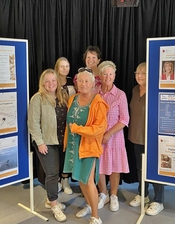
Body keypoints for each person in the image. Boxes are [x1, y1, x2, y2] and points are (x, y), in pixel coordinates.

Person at [63, 67, 108, 224]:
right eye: (80, 81)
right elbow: (68, 123)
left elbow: (99, 129)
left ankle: (96, 216)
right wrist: (66, 142)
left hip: (89, 147)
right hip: (74, 146)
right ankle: (89, 205)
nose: (83, 84)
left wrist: (78, 129)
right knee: (80, 180)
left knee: (88, 181)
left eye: (86, 81)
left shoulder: (98, 103)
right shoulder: (73, 99)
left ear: (93, 83)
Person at [28, 69, 68, 222]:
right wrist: (40, 142)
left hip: (61, 141)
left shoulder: (62, 96)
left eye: (53, 80)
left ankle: (49, 200)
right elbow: (33, 124)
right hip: (46, 142)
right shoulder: (37, 99)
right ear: (42, 83)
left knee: (57, 173)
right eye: (47, 81)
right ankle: (54, 205)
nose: (51, 84)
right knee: (52, 174)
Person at [128, 62, 165, 216]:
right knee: (140, 168)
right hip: (136, 136)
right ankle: (143, 194)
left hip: (152, 138)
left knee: (155, 170)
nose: (140, 76)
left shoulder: (156, 90)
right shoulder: (135, 90)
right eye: (137, 73)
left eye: (143, 73)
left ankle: (158, 201)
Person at [95, 61, 130, 212]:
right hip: (97, 137)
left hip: (115, 137)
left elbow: (124, 119)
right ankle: (103, 194)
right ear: (100, 76)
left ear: (114, 76)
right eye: (104, 74)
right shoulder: (94, 92)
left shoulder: (120, 95)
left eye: (110, 74)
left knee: (115, 166)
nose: (107, 77)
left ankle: (113, 194)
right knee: (99, 166)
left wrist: (109, 133)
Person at [54, 57, 75, 195]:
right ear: (57, 67)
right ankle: (56, 180)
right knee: (55, 153)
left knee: (67, 151)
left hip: (69, 124)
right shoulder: (52, 83)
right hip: (55, 124)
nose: (64, 68)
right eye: (62, 66)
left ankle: (65, 180)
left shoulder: (73, 84)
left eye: (67, 66)